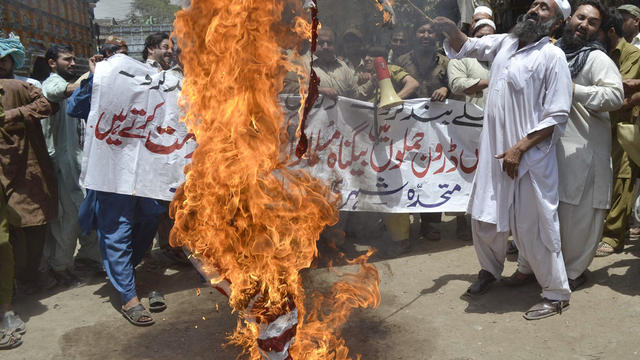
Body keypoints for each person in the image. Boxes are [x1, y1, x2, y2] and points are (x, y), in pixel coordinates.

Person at [434, 0, 574, 320]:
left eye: (545, 8)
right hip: (495, 154)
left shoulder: (552, 56)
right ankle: (489, 270)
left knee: (533, 227)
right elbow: (467, 45)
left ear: (555, 24)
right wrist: (451, 30)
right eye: (536, 3)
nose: (535, 9)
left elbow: (557, 114)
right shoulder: (506, 42)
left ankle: (555, 293)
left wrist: (520, 148)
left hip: (529, 157)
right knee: (484, 217)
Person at [69, 55, 168, 326]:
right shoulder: (100, 85)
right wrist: (93, 79)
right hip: (111, 176)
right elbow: (73, 107)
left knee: (149, 220)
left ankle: (125, 273)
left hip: (142, 174)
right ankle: (128, 297)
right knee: (118, 232)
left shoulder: (146, 88)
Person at [550, 1, 623, 290]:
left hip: (585, 149)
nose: (584, 25)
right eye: (581, 18)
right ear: (569, 19)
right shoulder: (554, 53)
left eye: (592, 23)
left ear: (598, 30)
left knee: (578, 218)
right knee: (554, 213)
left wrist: (573, 90)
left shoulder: (596, 59)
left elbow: (615, 97)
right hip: (552, 148)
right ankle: (549, 268)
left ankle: (573, 272)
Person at [0, 40, 57, 333]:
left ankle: (26, 279)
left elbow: (47, 104)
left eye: (4, 60)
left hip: (23, 169)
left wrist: (13, 115)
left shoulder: (20, 87)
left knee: (29, 227)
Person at [41, 44, 102, 287]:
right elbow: (64, 90)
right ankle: (60, 266)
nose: (72, 62)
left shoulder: (77, 83)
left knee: (89, 212)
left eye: (74, 59)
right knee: (70, 217)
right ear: (52, 63)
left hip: (81, 162)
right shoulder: (51, 84)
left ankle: (88, 257)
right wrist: (92, 74)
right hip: (64, 165)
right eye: (67, 59)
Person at [396, 19, 452, 241]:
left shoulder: (446, 62)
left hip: (436, 128)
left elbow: (454, 87)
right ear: (415, 35)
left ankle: (431, 223)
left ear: (436, 37)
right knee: (406, 170)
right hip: (406, 128)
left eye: (430, 32)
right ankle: (404, 223)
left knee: (433, 173)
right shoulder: (400, 61)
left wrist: (445, 88)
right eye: (421, 31)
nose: (426, 35)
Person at [595, 7, 640, 257]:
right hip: (597, 127)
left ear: (609, 31)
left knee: (622, 179)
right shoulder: (596, 54)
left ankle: (614, 235)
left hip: (623, 128)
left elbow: (618, 94)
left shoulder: (632, 54)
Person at [282, 27, 371, 100]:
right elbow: (286, 88)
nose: (325, 47)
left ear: (335, 46)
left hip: (337, 122)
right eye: (320, 43)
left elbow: (354, 96)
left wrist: (372, 83)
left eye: (329, 43)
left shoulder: (343, 67)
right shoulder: (300, 63)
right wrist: (317, 90)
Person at [447, 19, 495, 108]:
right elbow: (457, 85)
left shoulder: (502, 59)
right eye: (480, 37)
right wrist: (487, 83)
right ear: (472, 38)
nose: (484, 41)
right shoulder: (459, 59)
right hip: (471, 118)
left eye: (489, 37)